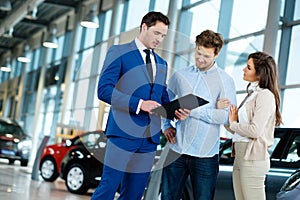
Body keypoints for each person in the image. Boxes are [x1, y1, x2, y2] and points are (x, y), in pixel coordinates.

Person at [91, 11, 189, 200]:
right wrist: (139, 104)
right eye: (156, 33)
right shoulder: (119, 52)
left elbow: (161, 97)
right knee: (108, 187)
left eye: (163, 35)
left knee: (135, 193)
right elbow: (104, 90)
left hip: (149, 138)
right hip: (122, 134)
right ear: (144, 27)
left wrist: (175, 110)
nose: (159, 39)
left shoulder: (161, 63)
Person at [160, 29, 237, 200]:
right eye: (198, 53)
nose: (200, 59)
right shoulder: (180, 76)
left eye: (206, 56)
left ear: (216, 54)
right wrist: (166, 126)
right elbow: (166, 102)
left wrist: (193, 112)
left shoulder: (225, 81)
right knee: (167, 197)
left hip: (205, 156)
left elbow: (226, 117)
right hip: (177, 150)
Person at [227, 51, 283, 200]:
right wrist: (226, 117)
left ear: (259, 74)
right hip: (240, 155)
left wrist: (233, 124)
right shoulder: (251, 94)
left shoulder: (265, 95)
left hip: (253, 158)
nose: (243, 69)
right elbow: (237, 128)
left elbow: (255, 131)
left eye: (248, 67)